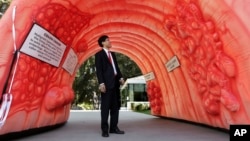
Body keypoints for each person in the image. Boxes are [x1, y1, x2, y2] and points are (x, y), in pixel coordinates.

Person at [95, 35, 125, 137]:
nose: (110, 41)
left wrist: (120, 77)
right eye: (107, 40)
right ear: (103, 43)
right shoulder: (99, 55)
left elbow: (116, 67)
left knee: (115, 108)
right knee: (105, 108)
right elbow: (99, 70)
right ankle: (104, 129)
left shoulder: (113, 54)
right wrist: (101, 83)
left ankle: (114, 128)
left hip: (115, 84)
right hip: (106, 85)